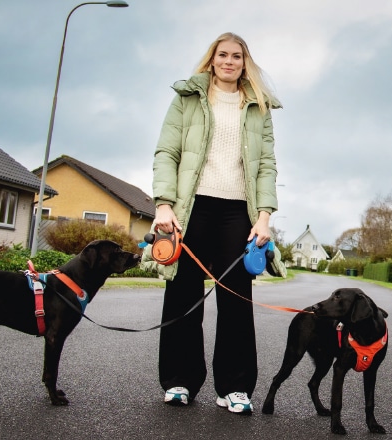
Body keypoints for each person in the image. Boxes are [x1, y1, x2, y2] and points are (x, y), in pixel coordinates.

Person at [140, 32, 283, 416]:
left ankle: (235, 387)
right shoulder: (186, 99)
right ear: (212, 59)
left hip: (238, 212)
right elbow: (166, 152)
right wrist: (164, 205)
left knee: (236, 300)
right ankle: (178, 381)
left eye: (237, 56)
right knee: (183, 295)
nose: (229, 61)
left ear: (244, 62)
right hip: (192, 209)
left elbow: (267, 166)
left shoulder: (258, 106)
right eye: (223, 55)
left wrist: (264, 216)